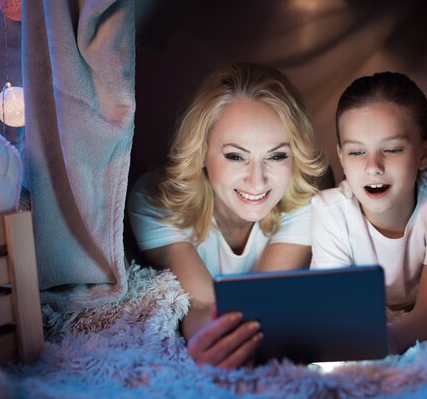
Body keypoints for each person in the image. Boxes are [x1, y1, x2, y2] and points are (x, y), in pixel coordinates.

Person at [128, 62, 328, 368]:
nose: (257, 180)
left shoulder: (306, 202)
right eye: (236, 156)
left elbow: (263, 301)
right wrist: (206, 340)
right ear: (202, 153)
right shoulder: (155, 200)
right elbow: (203, 303)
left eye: (276, 156)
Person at [310, 71, 427, 354]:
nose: (373, 166)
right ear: (341, 157)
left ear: (423, 152)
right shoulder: (330, 211)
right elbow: (329, 307)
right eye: (357, 152)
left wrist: (387, 342)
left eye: (393, 149)